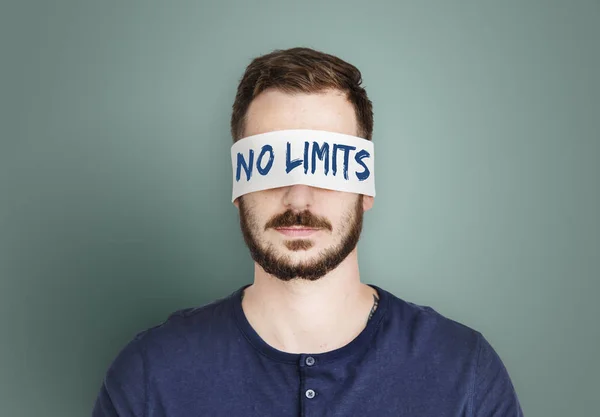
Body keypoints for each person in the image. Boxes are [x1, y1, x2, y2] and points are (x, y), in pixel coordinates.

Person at [93, 47, 523, 416]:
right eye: (271, 164)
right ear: (239, 187)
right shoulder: (150, 377)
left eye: (326, 166)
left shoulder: (464, 373)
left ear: (365, 187)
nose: (299, 197)